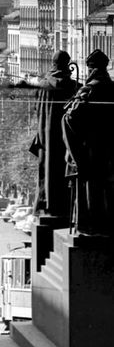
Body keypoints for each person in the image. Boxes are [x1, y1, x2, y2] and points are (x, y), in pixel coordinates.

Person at [61, 49, 114, 237]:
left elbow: (68, 119)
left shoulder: (88, 90)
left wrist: (76, 152)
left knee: (89, 192)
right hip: (109, 152)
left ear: (90, 69)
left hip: (90, 151)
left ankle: (88, 227)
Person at [29, 50, 80, 219]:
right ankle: (61, 209)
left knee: (46, 172)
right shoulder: (71, 86)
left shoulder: (42, 84)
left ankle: (44, 207)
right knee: (61, 174)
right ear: (67, 64)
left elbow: (36, 109)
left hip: (45, 139)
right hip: (63, 139)